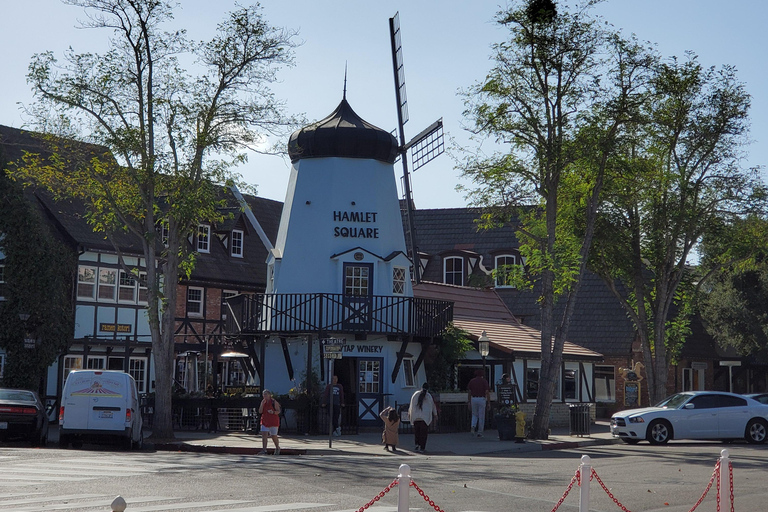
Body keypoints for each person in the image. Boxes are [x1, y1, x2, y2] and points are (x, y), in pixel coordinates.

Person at [409, 382, 437, 453]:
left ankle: (416, 445)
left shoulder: (415, 394)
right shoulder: (428, 396)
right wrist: (435, 414)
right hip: (424, 417)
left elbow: (411, 405)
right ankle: (422, 447)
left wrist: (410, 414)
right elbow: (432, 406)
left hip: (415, 416)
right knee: (423, 434)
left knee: (417, 432)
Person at [468, 369, 491, 437]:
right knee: (481, 416)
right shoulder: (484, 381)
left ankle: (473, 426)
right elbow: (487, 392)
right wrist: (489, 402)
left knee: (474, 414)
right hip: (481, 399)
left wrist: (469, 401)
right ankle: (480, 432)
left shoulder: (472, 381)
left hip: (473, 399)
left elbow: (469, 392)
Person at [258, 389, 281, 455]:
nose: (265, 396)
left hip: (273, 421)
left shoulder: (274, 402)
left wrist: (273, 412)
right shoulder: (263, 402)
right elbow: (260, 411)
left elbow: (278, 411)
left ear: (269, 395)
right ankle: (264, 449)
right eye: (264, 394)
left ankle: (277, 447)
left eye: (266, 394)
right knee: (264, 435)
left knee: (273, 436)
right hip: (265, 421)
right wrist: (261, 405)